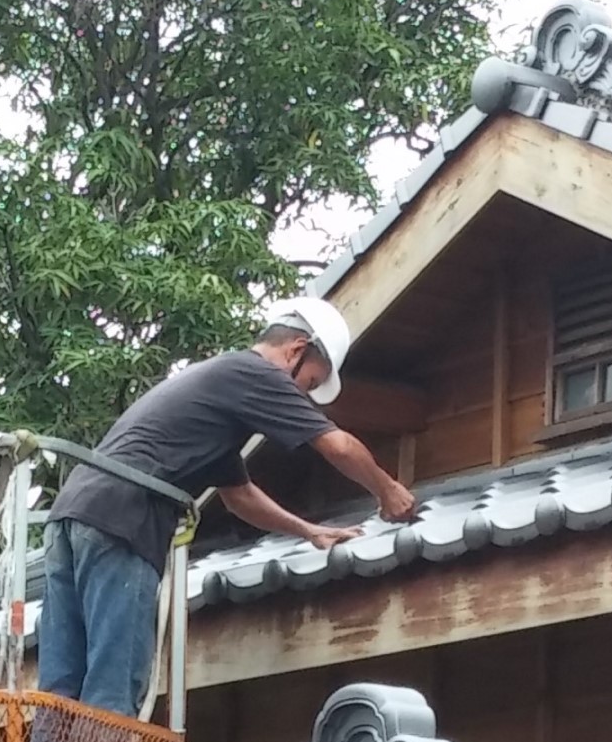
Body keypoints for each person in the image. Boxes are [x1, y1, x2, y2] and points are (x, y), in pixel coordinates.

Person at [37, 296, 418, 720]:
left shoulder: (217, 394)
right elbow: (338, 445)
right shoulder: (257, 374)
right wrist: (388, 490)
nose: (303, 397)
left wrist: (308, 531)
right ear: (296, 349)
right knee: (114, 685)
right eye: (309, 383)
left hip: (70, 515)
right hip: (123, 519)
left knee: (60, 688)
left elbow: (240, 497)